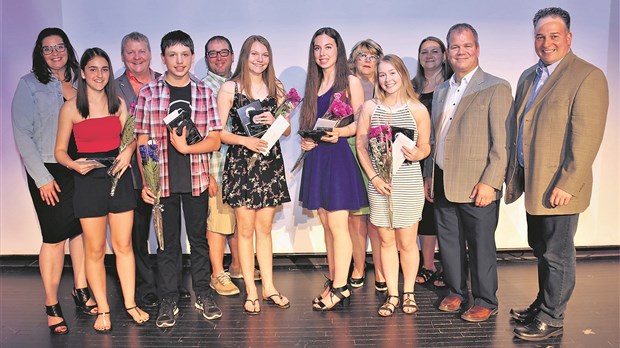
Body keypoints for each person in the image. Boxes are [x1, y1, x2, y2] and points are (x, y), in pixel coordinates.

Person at [506, 7, 609, 341]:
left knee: (557, 253)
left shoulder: (587, 76)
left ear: (568, 38)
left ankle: (553, 317)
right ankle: (543, 303)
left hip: (560, 187)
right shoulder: (528, 76)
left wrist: (568, 182)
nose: (546, 42)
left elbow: (587, 138)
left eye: (553, 36)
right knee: (540, 247)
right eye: (540, 36)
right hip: (533, 181)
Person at [422, 23, 513, 322]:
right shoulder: (442, 90)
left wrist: (490, 182)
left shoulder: (495, 87)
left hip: (478, 185)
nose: (461, 52)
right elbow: (435, 139)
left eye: (467, 46)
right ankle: (456, 291)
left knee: (481, 244)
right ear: (448, 53)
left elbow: (502, 142)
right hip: (444, 179)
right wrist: (430, 175)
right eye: (455, 47)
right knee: (448, 240)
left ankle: (486, 299)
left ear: (477, 49)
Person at [55, 47, 149, 332]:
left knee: (124, 247)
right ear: (82, 73)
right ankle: (103, 309)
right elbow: (59, 150)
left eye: (104, 69)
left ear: (110, 72)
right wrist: (73, 164)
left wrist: (127, 152)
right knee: (94, 250)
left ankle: (131, 304)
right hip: (88, 182)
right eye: (93, 69)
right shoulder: (70, 107)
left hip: (118, 178)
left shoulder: (118, 103)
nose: (99, 75)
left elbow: (132, 139)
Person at [11, 27, 97, 335]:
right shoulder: (29, 85)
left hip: (80, 167)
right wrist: (42, 179)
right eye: (47, 49)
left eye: (59, 46)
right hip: (50, 171)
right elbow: (23, 135)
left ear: (68, 48)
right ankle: (51, 304)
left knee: (82, 232)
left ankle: (81, 289)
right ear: (39, 53)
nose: (55, 52)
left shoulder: (84, 79)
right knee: (54, 237)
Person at [135, 30, 222, 328]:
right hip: (163, 183)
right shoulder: (148, 93)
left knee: (199, 241)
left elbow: (215, 141)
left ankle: (203, 293)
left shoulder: (204, 93)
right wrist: (148, 181)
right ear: (163, 58)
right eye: (172, 55)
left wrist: (187, 148)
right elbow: (143, 141)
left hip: (196, 179)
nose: (179, 61)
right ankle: (168, 298)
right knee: (167, 244)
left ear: (193, 57)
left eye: (185, 54)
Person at [115, 31, 190, 308]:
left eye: (142, 51)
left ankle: (171, 284)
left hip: (167, 173)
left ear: (151, 54)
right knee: (139, 234)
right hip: (133, 175)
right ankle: (147, 286)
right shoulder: (113, 87)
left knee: (168, 232)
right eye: (131, 52)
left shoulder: (167, 81)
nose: (137, 57)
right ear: (123, 56)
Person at [217, 35, 292, 315]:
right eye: (254, 54)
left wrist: (277, 121)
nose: (260, 60)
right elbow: (219, 132)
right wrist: (245, 141)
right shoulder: (229, 88)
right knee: (245, 230)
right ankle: (251, 290)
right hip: (241, 164)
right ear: (245, 57)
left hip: (269, 164)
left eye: (265, 55)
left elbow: (286, 132)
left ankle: (269, 287)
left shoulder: (277, 88)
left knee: (265, 230)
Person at [356, 54, 431, 317]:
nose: (387, 80)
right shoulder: (369, 108)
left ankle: (408, 291)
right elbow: (361, 147)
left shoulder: (417, 109)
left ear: (402, 75)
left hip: (408, 184)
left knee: (408, 243)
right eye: (382, 75)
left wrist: (418, 154)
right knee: (386, 242)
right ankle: (392, 294)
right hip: (379, 186)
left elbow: (426, 146)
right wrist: (374, 178)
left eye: (392, 73)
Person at [299, 27, 366, 311]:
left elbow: (360, 124)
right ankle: (335, 279)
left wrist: (339, 133)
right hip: (317, 158)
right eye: (317, 48)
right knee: (326, 225)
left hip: (338, 158)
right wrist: (305, 140)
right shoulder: (313, 83)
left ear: (338, 49)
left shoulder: (350, 81)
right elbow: (311, 123)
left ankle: (341, 287)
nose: (322, 53)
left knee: (339, 226)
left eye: (328, 47)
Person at [202, 35, 259, 297]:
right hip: (216, 165)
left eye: (223, 52)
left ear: (233, 55)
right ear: (206, 58)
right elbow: (201, 133)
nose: (219, 57)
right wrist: (205, 173)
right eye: (213, 54)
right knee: (218, 222)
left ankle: (238, 266)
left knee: (239, 220)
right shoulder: (204, 88)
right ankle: (217, 273)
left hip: (241, 165)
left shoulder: (241, 85)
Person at [411, 36, 452, 288]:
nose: (429, 56)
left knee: (447, 215)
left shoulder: (452, 85)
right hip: (416, 159)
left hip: (444, 157)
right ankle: (427, 265)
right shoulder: (412, 87)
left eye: (434, 51)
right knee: (425, 213)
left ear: (444, 55)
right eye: (424, 51)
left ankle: (450, 268)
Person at [346, 39, 386, 291]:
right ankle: (359, 267)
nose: (368, 61)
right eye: (362, 56)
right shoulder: (346, 86)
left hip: (382, 153)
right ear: (354, 60)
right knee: (357, 217)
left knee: (379, 216)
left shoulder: (389, 84)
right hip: (352, 151)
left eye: (373, 56)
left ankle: (382, 270)